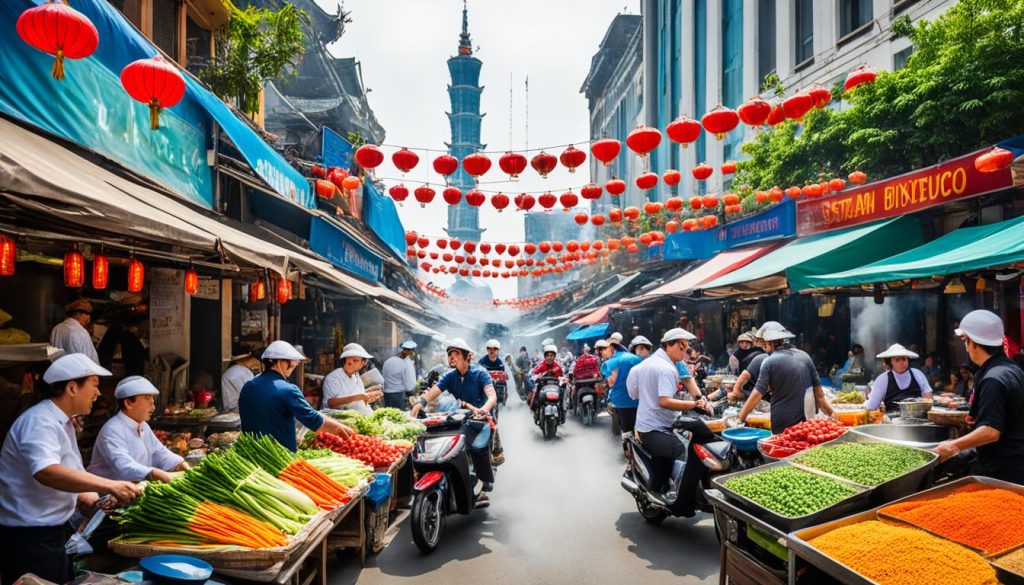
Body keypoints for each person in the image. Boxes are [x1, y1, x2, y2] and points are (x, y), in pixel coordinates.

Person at [0, 354, 142, 584]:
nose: (98, 394)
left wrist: (95, 502)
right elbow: (46, 471)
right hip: (30, 538)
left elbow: (74, 474)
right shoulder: (39, 420)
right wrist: (109, 484)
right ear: (72, 387)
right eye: (94, 385)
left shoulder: (63, 423)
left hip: (53, 533)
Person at [934, 310, 1024, 484]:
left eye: (965, 341)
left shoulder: (993, 378)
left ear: (973, 342)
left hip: (1003, 472)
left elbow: (990, 432)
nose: (966, 347)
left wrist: (952, 446)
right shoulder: (1011, 369)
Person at [631, 328, 711, 517]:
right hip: (653, 428)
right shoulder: (665, 368)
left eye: (686, 348)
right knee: (683, 450)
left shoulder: (650, 364)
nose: (684, 353)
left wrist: (701, 399)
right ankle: (678, 498)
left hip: (658, 422)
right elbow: (665, 401)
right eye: (681, 348)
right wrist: (693, 403)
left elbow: (633, 393)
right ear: (667, 346)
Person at [411, 339, 498, 493]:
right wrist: (420, 403)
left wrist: (484, 410)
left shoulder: (480, 373)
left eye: (456, 353)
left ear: (467, 356)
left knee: (477, 448)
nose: (452, 357)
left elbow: (492, 396)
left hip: (479, 418)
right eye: (450, 353)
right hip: (460, 417)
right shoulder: (450, 376)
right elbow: (435, 390)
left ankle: (484, 478)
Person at [239, 341, 355, 451]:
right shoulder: (288, 390)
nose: (294, 365)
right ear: (280, 362)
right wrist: (341, 428)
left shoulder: (248, 386)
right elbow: (313, 420)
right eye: (293, 362)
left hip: (251, 454)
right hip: (279, 458)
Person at [737, 323, 834, 434]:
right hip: (807, 423)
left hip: (782, 424)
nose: (764, 348)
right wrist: (833, 416)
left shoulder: (769, 362)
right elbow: (820, 396)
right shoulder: (805, 356)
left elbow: (757, 394)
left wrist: (741, 418)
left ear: (769, 343)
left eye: (764, 344)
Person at [88, 376, 187, 483]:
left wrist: (181, 464)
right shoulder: (112, 431)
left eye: (153, 400)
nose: (153, 407)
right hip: (107, 495)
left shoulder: (143, 425)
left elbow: (160, 453)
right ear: (128, 403)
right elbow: (124, 467)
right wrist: (154, 473)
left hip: (134, 490)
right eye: (147, 398)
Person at [865, 344, 933, 412]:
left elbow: (928, 399)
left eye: (904, 359)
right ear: (891, 361)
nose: (901, 363)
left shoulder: (917, 374)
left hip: (918, 419)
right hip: (892, 420)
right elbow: (872, 406)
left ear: (908, 360)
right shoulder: (883, 379)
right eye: (897, 360)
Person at [604, 336, 647, 433]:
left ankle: (628, 447)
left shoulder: (612, 361)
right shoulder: (637, 359)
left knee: (627, 431)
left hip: (623, 401)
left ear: (611, 348)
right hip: (641, 400)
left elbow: (611, 383)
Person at [323, 344, 383, 415]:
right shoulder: (333, 377)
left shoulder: (356, 376)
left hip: (357, 414)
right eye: (349, 361)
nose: (350, 363)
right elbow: (331, 403)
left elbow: (355, 397)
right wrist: (360, 396)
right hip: (338, 417)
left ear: (363, 363)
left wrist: (369, 396)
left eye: (355, 360)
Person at [50, 299, 99, 364]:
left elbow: (52, 355)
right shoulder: (80, 332)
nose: (88, 318)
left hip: (59, 371)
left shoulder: (56, 329)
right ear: (79, 314)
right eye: (87, 314)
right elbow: (92, 358)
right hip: (78, 372)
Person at [381, 341, 418, 410]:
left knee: (388, 415)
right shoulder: (406, 363)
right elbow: (410, 386)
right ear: (409, 351)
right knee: (398, 416)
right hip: (398, 395)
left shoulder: (388, 361)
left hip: (386, 394)